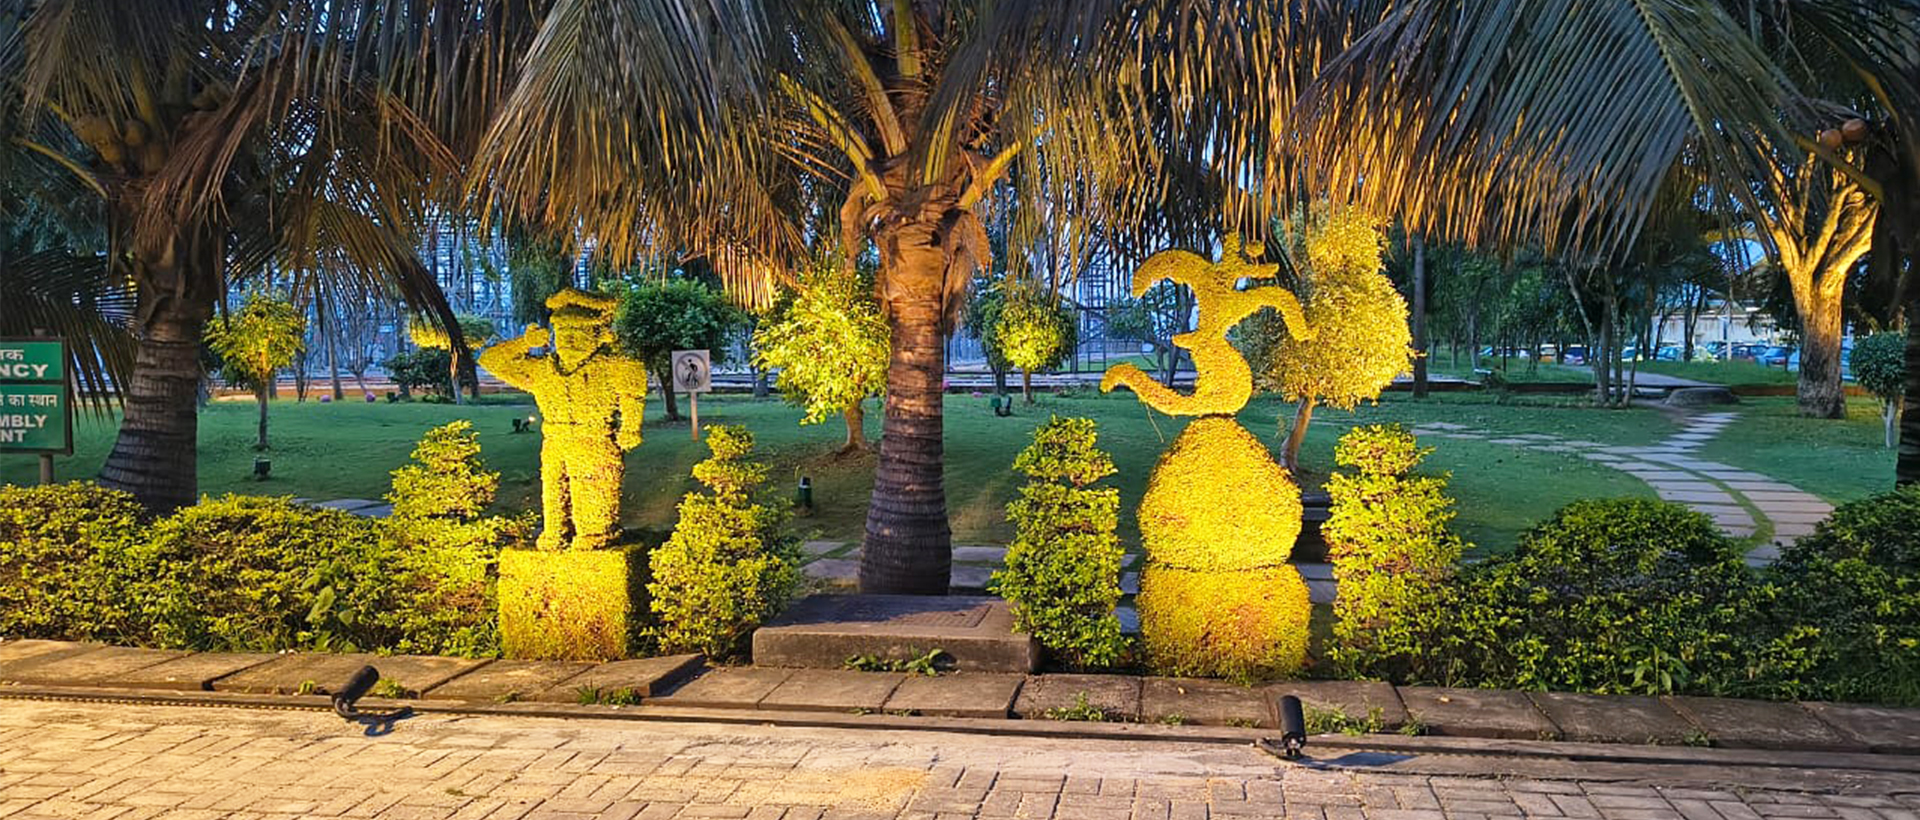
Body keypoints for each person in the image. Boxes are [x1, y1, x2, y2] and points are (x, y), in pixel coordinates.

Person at [479, 289, 649, 550]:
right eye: (562, 332)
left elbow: (632, 394)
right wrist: (525, 343)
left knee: (592, 486)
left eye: (578, 332)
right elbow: (490, 360)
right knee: (553, 488)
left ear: (598, 335)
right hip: (554, 440)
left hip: (594, 439)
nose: (569, 340)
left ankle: (595, 535)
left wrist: (630, 428)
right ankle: (555, 533)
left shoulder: (612, 366)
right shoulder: (543, 369)